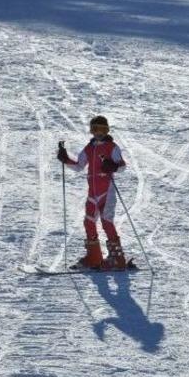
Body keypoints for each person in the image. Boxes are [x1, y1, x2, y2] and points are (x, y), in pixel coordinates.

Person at [56, 116, 130, 271]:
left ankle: (118, 259)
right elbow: (79, 166)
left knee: (106, 221)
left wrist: (113, 166)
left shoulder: (111, 147)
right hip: (93, 193)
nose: (99, 133)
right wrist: (65, 159)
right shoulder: (89, 148)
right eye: (95, 129)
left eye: (102, 129)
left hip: (107, 191)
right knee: (88, 222)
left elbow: (122, 166)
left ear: (107, 130)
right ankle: (94, 257)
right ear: (91, 131)